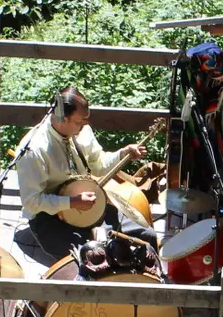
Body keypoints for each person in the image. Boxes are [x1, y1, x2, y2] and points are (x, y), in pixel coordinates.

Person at [12, 87, 149, 262]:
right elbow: (32, 202)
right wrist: (72, 202)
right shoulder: (34, 150)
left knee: (146, 236)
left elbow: (98, 165)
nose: (86, 124)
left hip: (89, 204)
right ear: (62, 119)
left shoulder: (83, 131)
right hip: (50, 218)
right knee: (92, 258)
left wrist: (122, 154)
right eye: (79, 121)